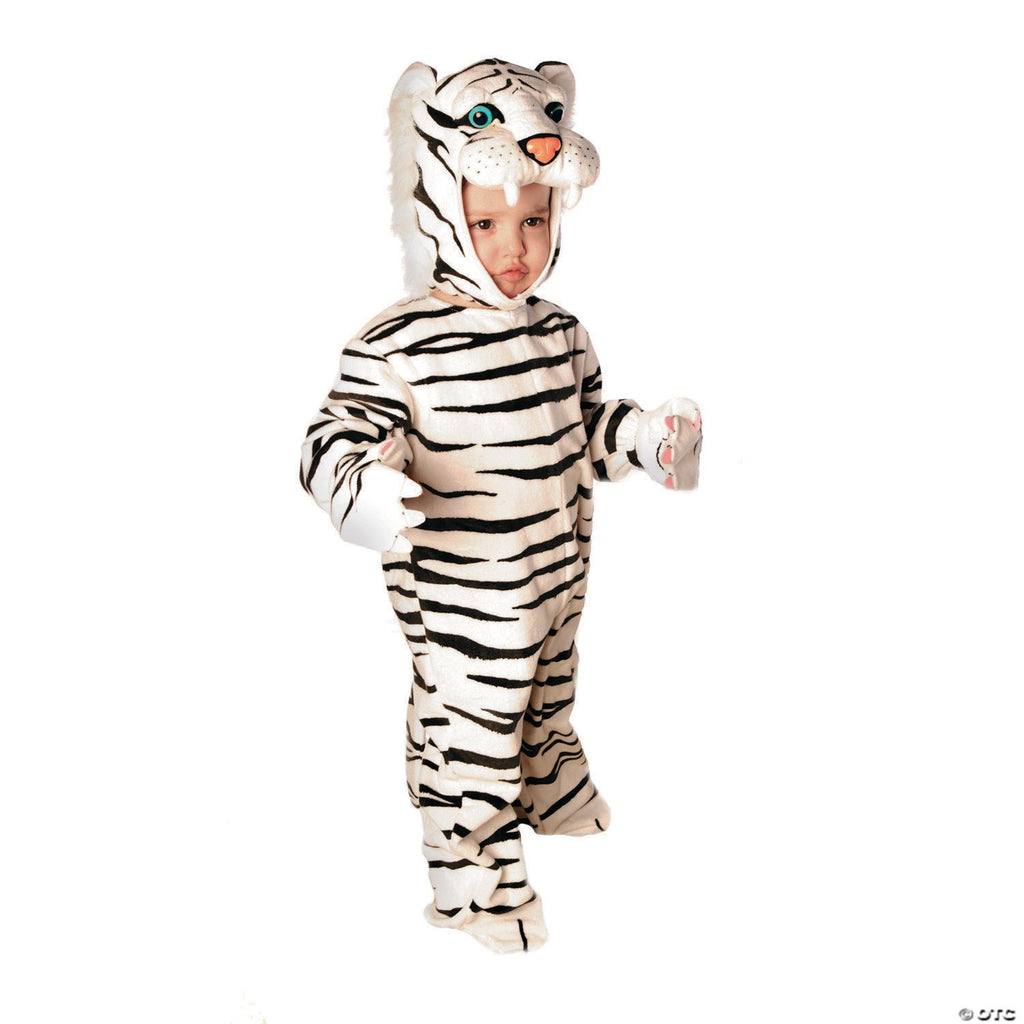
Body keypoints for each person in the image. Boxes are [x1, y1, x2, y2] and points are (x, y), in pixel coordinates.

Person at [300, 58, 701, 953]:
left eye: (533, 219)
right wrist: (358, 486)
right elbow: (331, 436)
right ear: (442, 211)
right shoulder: (397, 342)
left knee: (550, 692)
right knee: (470, 728)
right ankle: (473, 879)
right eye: (485, 222)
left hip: (558, 576)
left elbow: (584, 429)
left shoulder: (562, 331)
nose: (513, 247)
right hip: (465, 596)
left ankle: (549, 786)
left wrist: (644, 439)